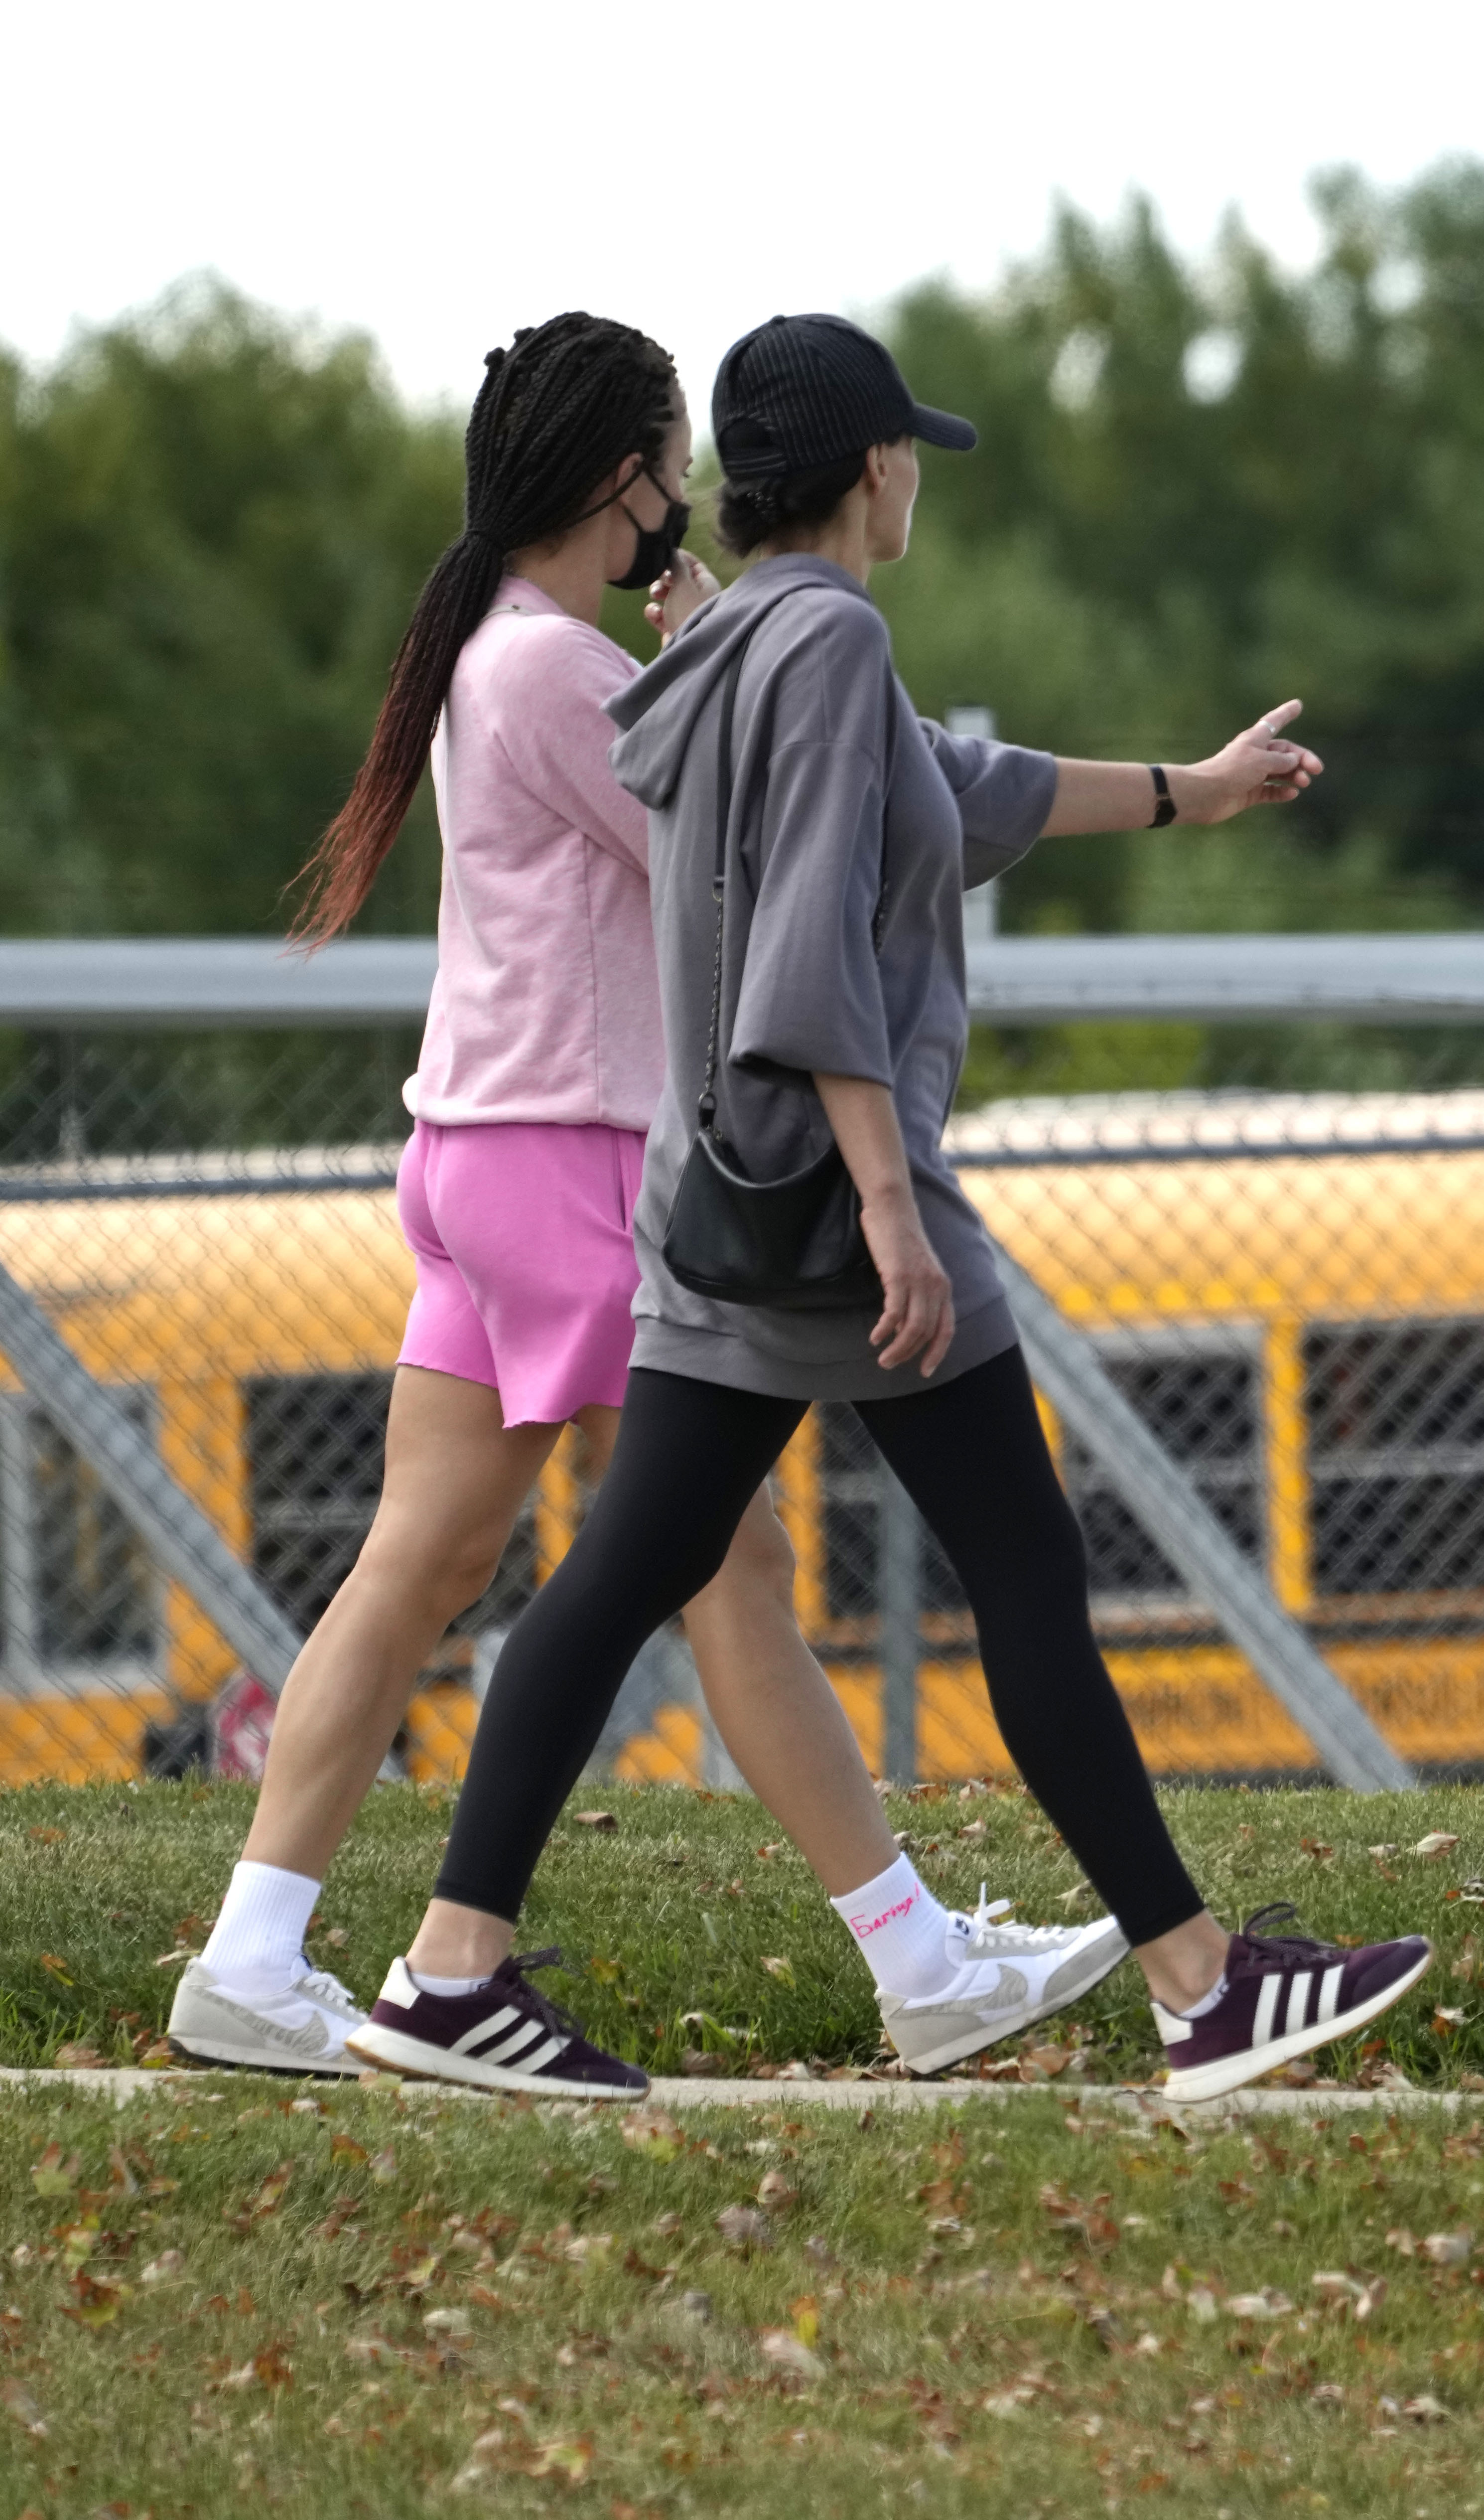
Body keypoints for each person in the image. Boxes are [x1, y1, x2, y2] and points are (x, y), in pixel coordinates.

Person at [350, 314, 1430, 2105]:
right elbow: (808, 962)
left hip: (711, 1210)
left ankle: (450, 1968)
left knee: (623, 1572)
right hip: (841, 1217)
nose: (916, 473)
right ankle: (1202, 1987)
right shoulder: (828, 638)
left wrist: (1190, 790)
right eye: (908, 450)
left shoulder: (721, 648)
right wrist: (892, 1206)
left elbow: (958, 792)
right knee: (1025, 1572)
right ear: (873, 472)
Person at [173, 313, 1112, 2088]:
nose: (687, 499)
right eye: (669, 468)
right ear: (625, 482)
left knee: (426, 1559)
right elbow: (738, 849)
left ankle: (254, 1949)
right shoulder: (555, 673)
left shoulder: (504, 653)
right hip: (572, 1158)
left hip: (472, 1153)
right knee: (729, 1567)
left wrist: (689, 665)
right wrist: (721, 681)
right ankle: (916, 1960)